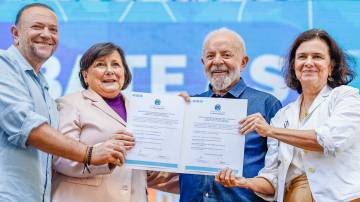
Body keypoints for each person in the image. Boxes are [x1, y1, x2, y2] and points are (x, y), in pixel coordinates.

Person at [0, 4, 127, 202]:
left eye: (53, 29)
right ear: (15, 33)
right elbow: (28, 127)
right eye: (37, 27)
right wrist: (90, 152)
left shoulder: (43, 88)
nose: (46, 34)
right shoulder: (3, 65)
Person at [216, 29, 360, 202]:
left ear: (331, 67)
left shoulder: (346, 97)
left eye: (317, 57)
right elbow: (271, 179)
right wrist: (245, 182)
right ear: (293, 67)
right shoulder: (282, 116)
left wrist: (270, 131)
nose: (308, 62)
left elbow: (329, 141)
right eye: (302, 57)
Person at [52, 42, 179, 202]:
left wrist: (202, 180)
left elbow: (148, 173)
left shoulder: (141, 109)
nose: (110, 71)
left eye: (116, 65)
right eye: (100, 65)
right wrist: (102, 152)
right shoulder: (70, 104)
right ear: (85, 75)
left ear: (124, 73)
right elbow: (60, 158)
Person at [179, 27, 282, 202]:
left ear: (243, 62)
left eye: (226, 55)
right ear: (203, 62)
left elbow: (280, 171)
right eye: (210, 56)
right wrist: (173, 114)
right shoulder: (189, 106)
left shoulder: (267, 104)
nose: (217, 61)